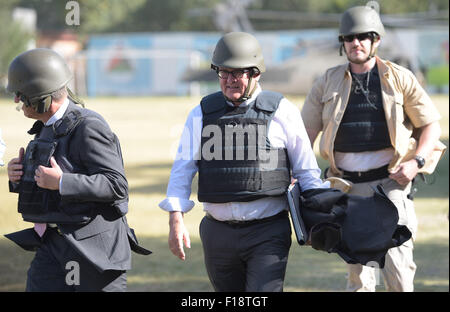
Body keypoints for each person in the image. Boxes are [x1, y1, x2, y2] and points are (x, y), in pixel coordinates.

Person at [159, 32, 328, 292]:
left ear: (255, 73)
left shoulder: (283, 111)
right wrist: (175, 218)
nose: (229, 81)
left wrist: (320, 215)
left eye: (236, 73)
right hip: (217, 233)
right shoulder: (202, 113)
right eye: (223, 73)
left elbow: (306, 171)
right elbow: (182, 169)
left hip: (268, 231)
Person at [301, 6, 444, 292]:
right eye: (350, 37)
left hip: (390, 185)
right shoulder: (326, 82)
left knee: (399, 273)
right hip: (345, 188)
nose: (356, 42)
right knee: (358, 279)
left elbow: (431, 126)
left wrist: (416, 162)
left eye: (364, 36)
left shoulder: (400, 78)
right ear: (343, 42)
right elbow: (304, 137)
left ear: (376, 40)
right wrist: (301, 179)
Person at [5, 48, 150, 292]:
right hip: (52, 245)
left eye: (21, 94)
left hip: (94, 253)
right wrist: (19, 176)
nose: (17, 101)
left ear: (42, 96)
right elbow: (49, 181)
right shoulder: (46, 127)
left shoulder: (88, 126)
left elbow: (116, 185)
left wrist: (62, 182)